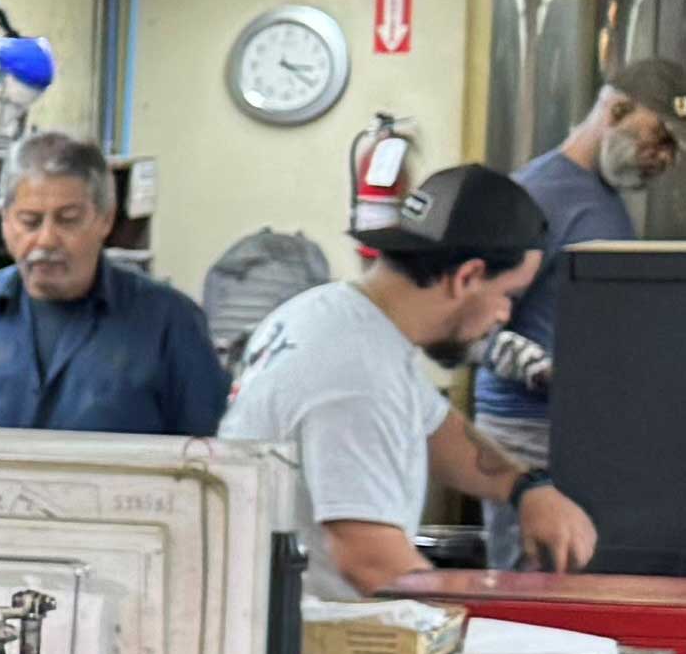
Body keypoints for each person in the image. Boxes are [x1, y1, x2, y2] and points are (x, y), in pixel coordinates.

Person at [220, 161, 593, 591]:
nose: (504, 315)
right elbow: (370, 560)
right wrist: (475, 616)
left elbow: (436, 428)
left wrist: (525, 487)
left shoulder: (332, 315)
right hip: (316, 627)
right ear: (468, 276)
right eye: (508, 295)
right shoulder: (357, 371)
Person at [0, 129, 230, 438]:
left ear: (105, 219)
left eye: (68, 220)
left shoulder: (170, 322)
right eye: (30, 221)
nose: (46, 240)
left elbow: (211, 461)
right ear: (5, 221)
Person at [473, 57, 685, 548]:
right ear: (616, 110)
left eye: (675, 148)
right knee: (534, 584)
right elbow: (467, 321)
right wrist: (539, 368)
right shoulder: (535, 195)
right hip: (526, 436)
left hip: (584, 432)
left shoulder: (604, 202)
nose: (665, 158)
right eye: (659, 137)